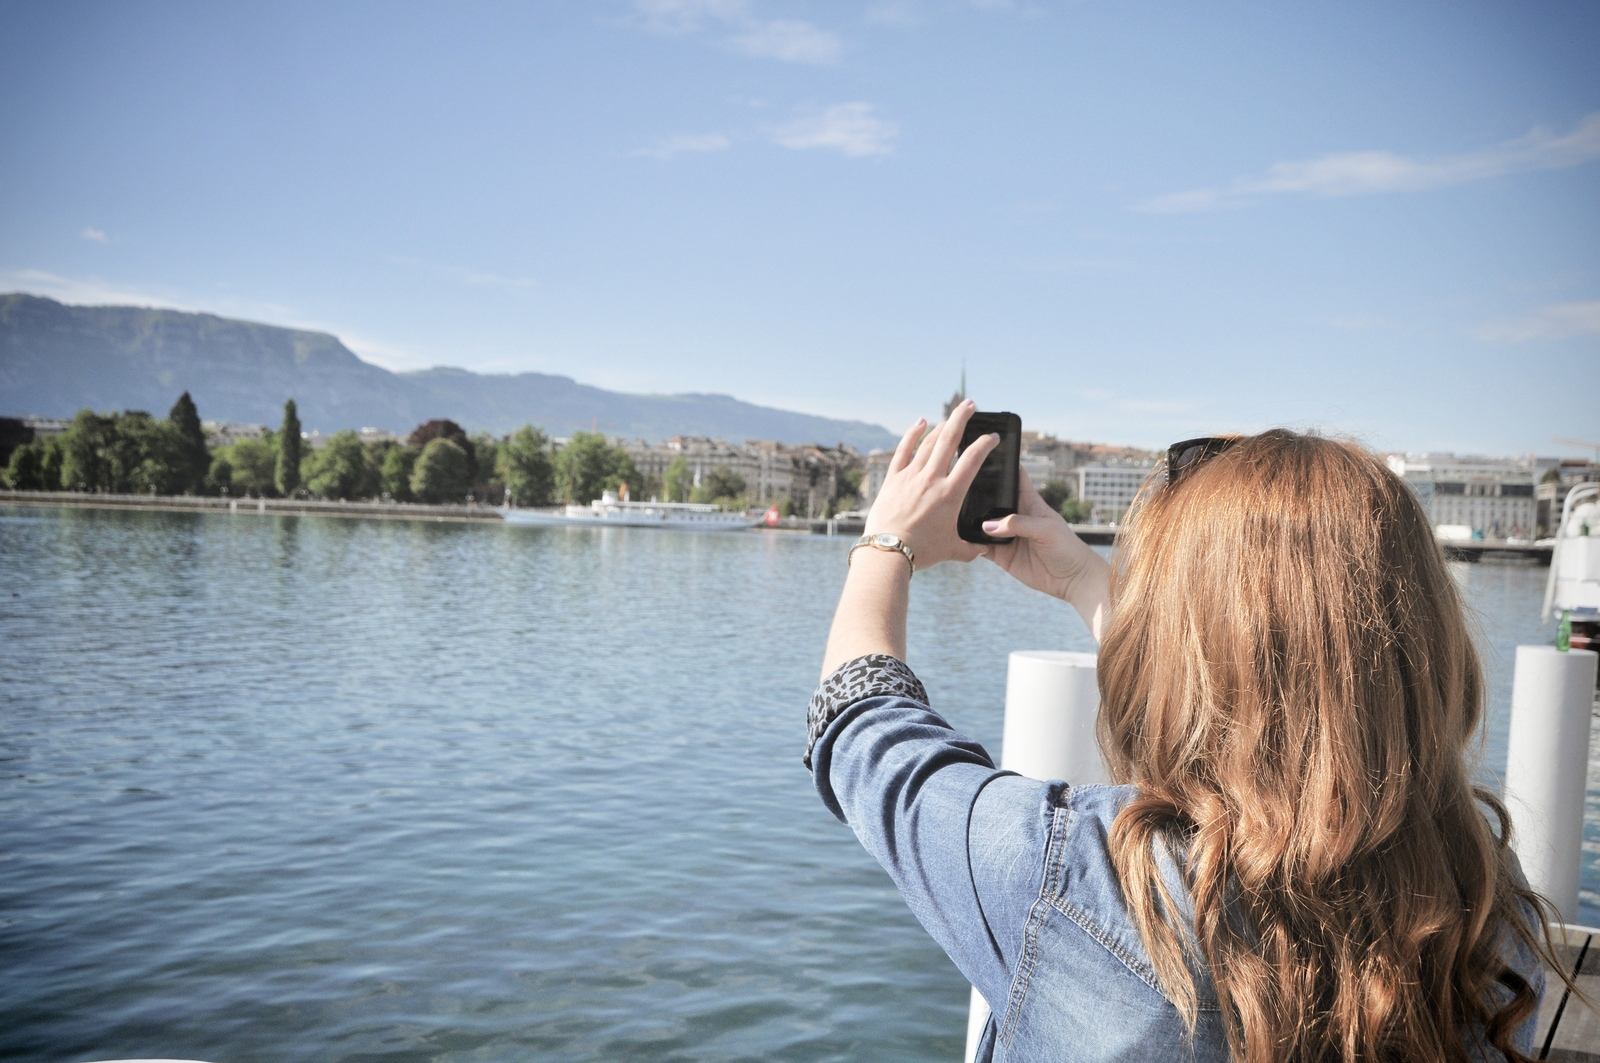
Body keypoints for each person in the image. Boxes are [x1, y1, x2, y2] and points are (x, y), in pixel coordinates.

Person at [807, 402, 1568, 1062]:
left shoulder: (1073, 879)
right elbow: (1287, 694)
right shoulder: (1481, 905)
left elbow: (861, 724)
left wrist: (887, 544)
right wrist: (1081, 581)